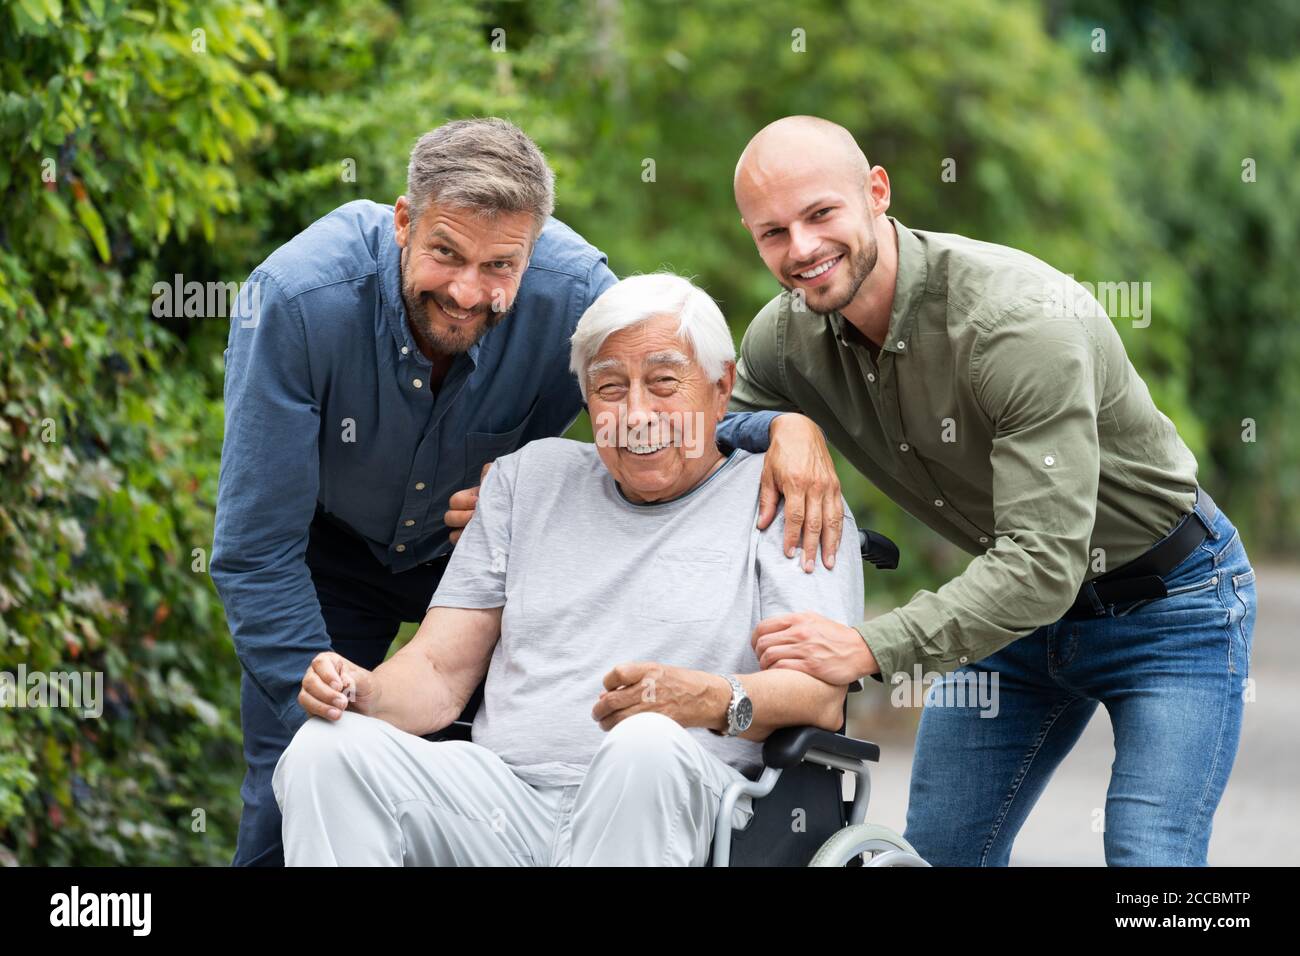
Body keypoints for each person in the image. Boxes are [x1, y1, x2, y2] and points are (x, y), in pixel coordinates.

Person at [210, 117, 803, 867]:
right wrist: (319, 688)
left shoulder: (577, 290)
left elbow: (670, 391)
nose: (466, 290)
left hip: (483, 563)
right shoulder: (297, 301)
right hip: (330, 558)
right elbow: (256, 548)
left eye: (500, 266)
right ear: (403, 221)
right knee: (297, 779)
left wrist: (782, 430)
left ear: (535, 248)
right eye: (445, 253)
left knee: (508, 766)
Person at [728, 115, 1256, 866]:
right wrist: (785, 427)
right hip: (1007, 619)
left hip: (1172, 606)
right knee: (941, 855)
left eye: (820, 214)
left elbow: (1043, 564)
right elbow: (709, 438)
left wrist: (868, 646)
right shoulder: (783, 343)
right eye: (772, 232)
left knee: (1149, 856)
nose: (801, 249)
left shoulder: (1018, 322)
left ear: (876, 192)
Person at [272, 273, 865, 866]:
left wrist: (707, 697)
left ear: (721, 387)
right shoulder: (528, 479)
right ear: (586, 401)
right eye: (610, 387)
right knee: (328, 749)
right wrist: (365, 690)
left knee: (646, 741)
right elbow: (438, 669)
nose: (637, 413)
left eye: (663, 382)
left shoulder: (787, 495)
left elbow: (819, 696)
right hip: (503, 802)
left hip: (684, 804)